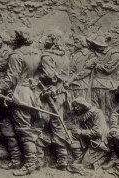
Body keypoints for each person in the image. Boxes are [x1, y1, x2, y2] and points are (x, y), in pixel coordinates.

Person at [0, 27, 41, 176]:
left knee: (24, 129)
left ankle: (30, 163)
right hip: (32, 93)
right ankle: (16, 160)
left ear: (18, 39)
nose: (12, 39)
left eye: (14, 36)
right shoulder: (37, 52)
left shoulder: (17, 55)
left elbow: (12, 77)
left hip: (19, 93)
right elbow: (39, 74)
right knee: (8, 125)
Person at [36, 29, 71, 171]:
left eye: (49, 37)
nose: (46, 39)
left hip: (49, 95)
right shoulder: (65, 56)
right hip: (62, 94)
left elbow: (49, 76)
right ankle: (62, 157)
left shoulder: (47, 56)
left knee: (40, 122)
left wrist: (38, 77)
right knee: (58, 124)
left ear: (54, 40)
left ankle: (38, 158)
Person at [85, 34, 119, 127]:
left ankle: (109, 129)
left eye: (98, 46)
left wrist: (95, 64)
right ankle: (97, 129)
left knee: (107, 109)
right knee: (95, 109)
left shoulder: (114, 54)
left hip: (106, 86)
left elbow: (108, 69)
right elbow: (87, 65)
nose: (97, 48)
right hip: (94, 85)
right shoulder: (94, 53)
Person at [69, 97, 109, 171]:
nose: (76, 108)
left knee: (85, 164)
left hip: (98, 140)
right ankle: (79, 157)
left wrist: (81, 132)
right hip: (87, 139)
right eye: (74, 106)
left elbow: (98, 131)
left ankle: (106, 155)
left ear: (83, 105)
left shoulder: (97, 113)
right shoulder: (78, 114)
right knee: (71, 134)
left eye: (78, 106)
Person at [67, 35, 96, 101]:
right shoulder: (74, 54)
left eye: (76, 42)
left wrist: (73, 78)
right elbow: (70, 68)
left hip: (82, 85)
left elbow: (87, 71)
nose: (74, 44)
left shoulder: (90, 55)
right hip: (71, 85)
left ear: (82, 43)